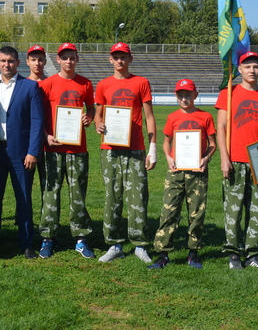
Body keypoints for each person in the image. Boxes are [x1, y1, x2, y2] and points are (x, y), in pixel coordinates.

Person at [215, 51, 258, 272]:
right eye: (247, 67)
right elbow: (221, 128)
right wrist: (224, 159)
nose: (252, 71)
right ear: (239, 70)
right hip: (235, 160)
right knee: (232, 211)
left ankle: (253, 254)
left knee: (256, 211)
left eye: (255, 67)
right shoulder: (228, 94)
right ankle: (234, 254)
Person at [94, 42, 158, 265]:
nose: (120, 60)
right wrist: (98, 125)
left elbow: (149, 116)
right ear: (110, 59)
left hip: (135, 147)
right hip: (110, 148)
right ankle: (114, 243)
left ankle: (140, 243)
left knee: (138, 195)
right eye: (116, 57)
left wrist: (153, 147)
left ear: (130, 59)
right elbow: (98, 115)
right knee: (113, 194)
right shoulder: (103, 85)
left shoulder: (141, 82)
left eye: (124, 57)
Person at [0, 46, 45, 259]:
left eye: (10, 61)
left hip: (21, 153)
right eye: (3, 61)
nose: (6, 64)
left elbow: (37, 121)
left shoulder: (30, 87)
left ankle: (26, 243)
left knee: (24, 199)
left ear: (18, 63)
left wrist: (33, 151)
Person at [148, 79, 216, 270]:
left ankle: (193, 253)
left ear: (196, 95)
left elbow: (212, 144)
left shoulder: (206, 117)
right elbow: (166, 142)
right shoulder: (172, 117)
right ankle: (162, 254)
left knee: (196, 213)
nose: (184, 98)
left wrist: (206, 158)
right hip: (176, 171)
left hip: (198, 172)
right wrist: (168, 158)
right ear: (176, 96)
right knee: (169, 211)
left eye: (188, 94)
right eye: (180, 95)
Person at [38, 43, 96, 259]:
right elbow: (40, 114)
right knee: (51, 192)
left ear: (77, 59)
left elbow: (91, 108)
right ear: (58, 60)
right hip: (53, 147)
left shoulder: (85, 83)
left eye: (72, 57)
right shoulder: (47, 84)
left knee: (78, 193)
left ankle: (81, 238)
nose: (69, 61)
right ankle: (47, 237)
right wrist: (45, 135)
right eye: (65, 58)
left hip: (77, 148)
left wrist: (88, 117)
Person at [26, 45, 49, 205]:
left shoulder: (51, 83)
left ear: (45, 61)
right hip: (27, 141)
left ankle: (46, 218)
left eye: (40, 60)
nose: (37, 63)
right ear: (27, 62)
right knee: (24, 182)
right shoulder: (21, 84)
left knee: (47, 183)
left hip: (49, 142)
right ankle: (22, 217)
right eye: (33, 59)